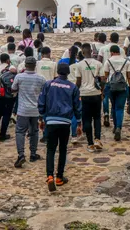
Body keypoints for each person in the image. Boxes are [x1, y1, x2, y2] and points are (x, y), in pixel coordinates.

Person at [38, 63, 82, 192]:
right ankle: (60, 177)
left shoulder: (48, 84)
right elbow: (77, 106)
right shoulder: (72, 87)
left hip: (51, 121)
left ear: (57, 71)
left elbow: (42, 101)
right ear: (68, 73)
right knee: (63, 149)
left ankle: (50, 176)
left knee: (51, 149)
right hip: (65, 122)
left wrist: (41, 117)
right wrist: (78, 122)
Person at [12, 57, 46, 168]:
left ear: (25, 65)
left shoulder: (19, 77)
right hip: (35, 110)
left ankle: (21, 154)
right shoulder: (41, 78)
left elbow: (13, 88)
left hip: (23, 110)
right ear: (35, 65)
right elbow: (44, 92)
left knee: (20, 132)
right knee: (34, 131)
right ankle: (33, 153)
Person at [75, 44, 104, 152]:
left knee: (86, 119)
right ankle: (97, 139)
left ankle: (90, 143)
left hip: (84, 94)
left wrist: (76, 92)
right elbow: (103, 79)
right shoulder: (98, 64)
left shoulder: (79, 65)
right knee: (96, 118)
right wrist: (102, 90)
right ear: (91, 51)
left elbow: (78, 81)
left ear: (82, 53)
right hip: (96, 93)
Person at [104, 45, 130, 141]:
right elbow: (129, 77)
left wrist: (102, 90)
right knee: (120, 108)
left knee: (113, 106)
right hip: (123, 87)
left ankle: (115, 125)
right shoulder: (126, 61)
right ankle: (118, 128)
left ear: (111, 52)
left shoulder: (108, 61)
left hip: (111, 86)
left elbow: (106, 76)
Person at [99, 32, 125, 128]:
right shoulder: (121, 50)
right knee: (118, 105)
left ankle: (106, 112)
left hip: (106, 76)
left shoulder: (102, 48)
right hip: (120, 79)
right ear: (118, 40)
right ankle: (117, 125)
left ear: (109, 38)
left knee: (105, 96)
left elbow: (99, 61)